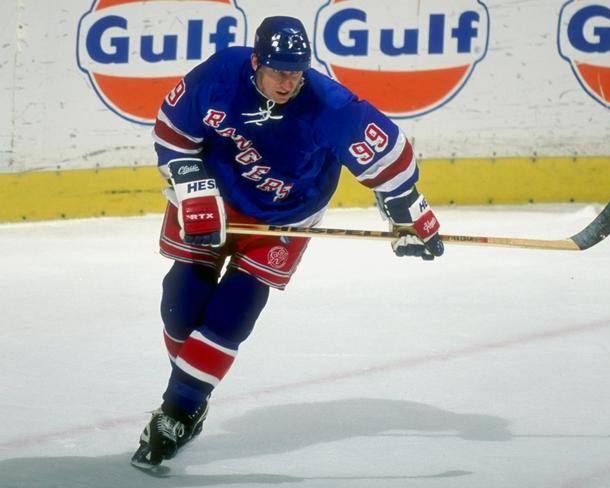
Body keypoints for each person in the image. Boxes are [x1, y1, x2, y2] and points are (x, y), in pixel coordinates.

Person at [131, 15, 444, 469]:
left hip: (285, 214)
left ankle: (179, 410)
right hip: (214, 195)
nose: (288, 81)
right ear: (256, 60)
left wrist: (407, 209)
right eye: (278, 70)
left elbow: (389, 155)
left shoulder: (329, 105)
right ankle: (190, 386)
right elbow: (172, 132)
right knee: (179, 303)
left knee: (234, 309)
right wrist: (191, 183)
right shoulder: (221, 74)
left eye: (297, 71)